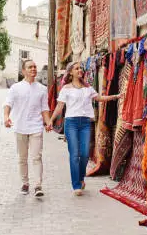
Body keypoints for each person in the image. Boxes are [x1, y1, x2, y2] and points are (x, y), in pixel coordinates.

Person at [48, 62, 121, 196]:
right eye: (77, 68)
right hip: (71, 123)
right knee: (74, 154)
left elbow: (99, 98)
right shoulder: (66, 89)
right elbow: (59, 106)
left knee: (85, 154)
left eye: (81, 68)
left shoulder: (88, 88)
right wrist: (51, 120)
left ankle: (81, 177)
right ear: (70, 72)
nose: (80, 70)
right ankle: (76, 184)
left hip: (86, 123)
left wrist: (114, 97)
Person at [4, 59, 51, 197]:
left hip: (36, 127)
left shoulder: (42, 89)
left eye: (35, 67)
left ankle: (38, 185)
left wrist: (48, 122)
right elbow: (8, 104)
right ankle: (25, 183)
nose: (33, 69)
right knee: (22, 158)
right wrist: (6, 117)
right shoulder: (16, 88)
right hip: (20, 127)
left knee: (37, 157)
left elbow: (44, 108)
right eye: (30, 67)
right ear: (23, 71)